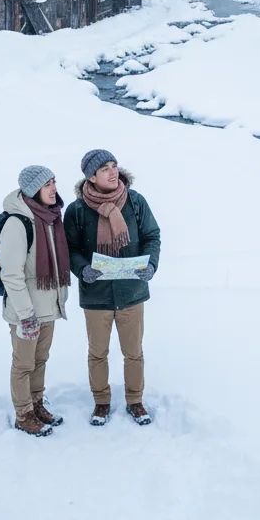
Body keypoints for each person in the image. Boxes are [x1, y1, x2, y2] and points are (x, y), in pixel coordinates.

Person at [63, 149, 161, 426]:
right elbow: (69, 248)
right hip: (96, 296)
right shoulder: (77, 210)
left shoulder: (135, 202)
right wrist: (82, 269)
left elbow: (152, 235)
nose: (112, 171)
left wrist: (151, 264)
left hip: (132, 292)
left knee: (133, 352)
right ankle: (101, 402)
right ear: (91, 177)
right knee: (98, 353)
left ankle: (135, 401)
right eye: (104, 168)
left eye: (114, 165)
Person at [0, 165, 71, 437]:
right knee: (23, 364)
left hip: (48, 308)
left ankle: (37, 402)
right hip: (25, 312)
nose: (53, 188)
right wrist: (26, 315)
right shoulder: (18, 223)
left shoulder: (50, 219)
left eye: (54, 182)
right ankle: (23, 413)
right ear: (33, 190)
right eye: (47, 185)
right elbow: (12, 275)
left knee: (40, 360)